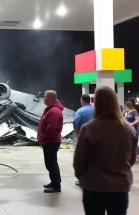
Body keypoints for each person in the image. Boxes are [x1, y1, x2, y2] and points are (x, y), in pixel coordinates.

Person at [73, 86, 138, 215]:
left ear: (96, 103)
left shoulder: (88, 128)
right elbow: (131, 159)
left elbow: (79, 161)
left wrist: (82, 177)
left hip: (94, 187)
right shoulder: (128, 129)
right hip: (120, 187)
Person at [37, 90, 63, 193]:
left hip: (51, 142)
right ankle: (53, 182)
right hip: (50, 141)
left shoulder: (53, 112)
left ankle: (56, 185)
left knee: (51, 163)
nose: (43, 98)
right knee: (50, 163)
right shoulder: (51, 110)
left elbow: (50, 129)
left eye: (45, 96)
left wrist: (43, 139)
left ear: (51, 99)